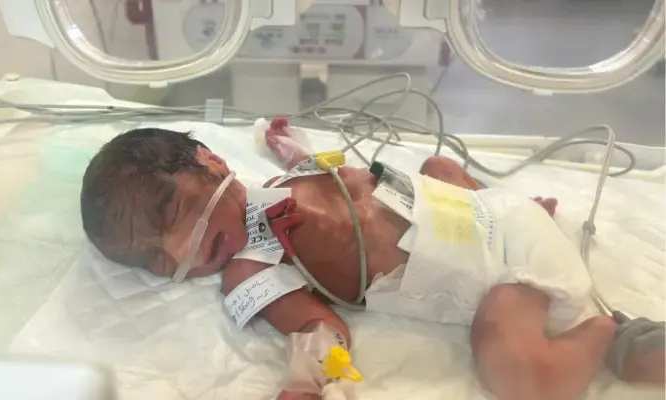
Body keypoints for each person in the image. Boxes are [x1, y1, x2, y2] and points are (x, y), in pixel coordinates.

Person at [80, 119, 664, 400]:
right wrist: (305, 381)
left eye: (172, 211)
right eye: (153, 261)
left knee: (435, 168)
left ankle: (517, 209)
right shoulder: (247, 269)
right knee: (519, 374)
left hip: (494, 213)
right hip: (508, 277)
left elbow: (326, 167)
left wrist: (288, 147)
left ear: (211, 162)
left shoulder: (282, 179)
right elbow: (318, 327)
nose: (179, 249)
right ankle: (608, 333)